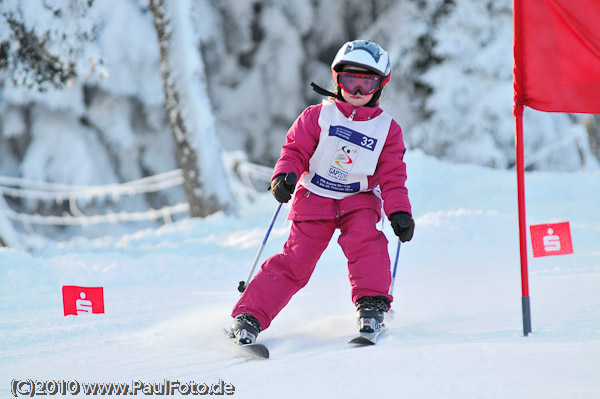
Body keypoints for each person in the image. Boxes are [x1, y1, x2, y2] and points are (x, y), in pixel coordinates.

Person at [229, 40, 415, 345]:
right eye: (349, 82)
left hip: (359, 199)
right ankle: (249, 316)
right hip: (315, 197)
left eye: (365, 83)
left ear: (381, 85)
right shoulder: (319, 116)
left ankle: (372, 307)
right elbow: (295, 150)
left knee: (367, 244)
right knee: (296, 261)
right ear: (337, 79)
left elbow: (393, 175)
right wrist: (285, 175)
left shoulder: (387, 129)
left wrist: (399, 212)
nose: (356, 92)